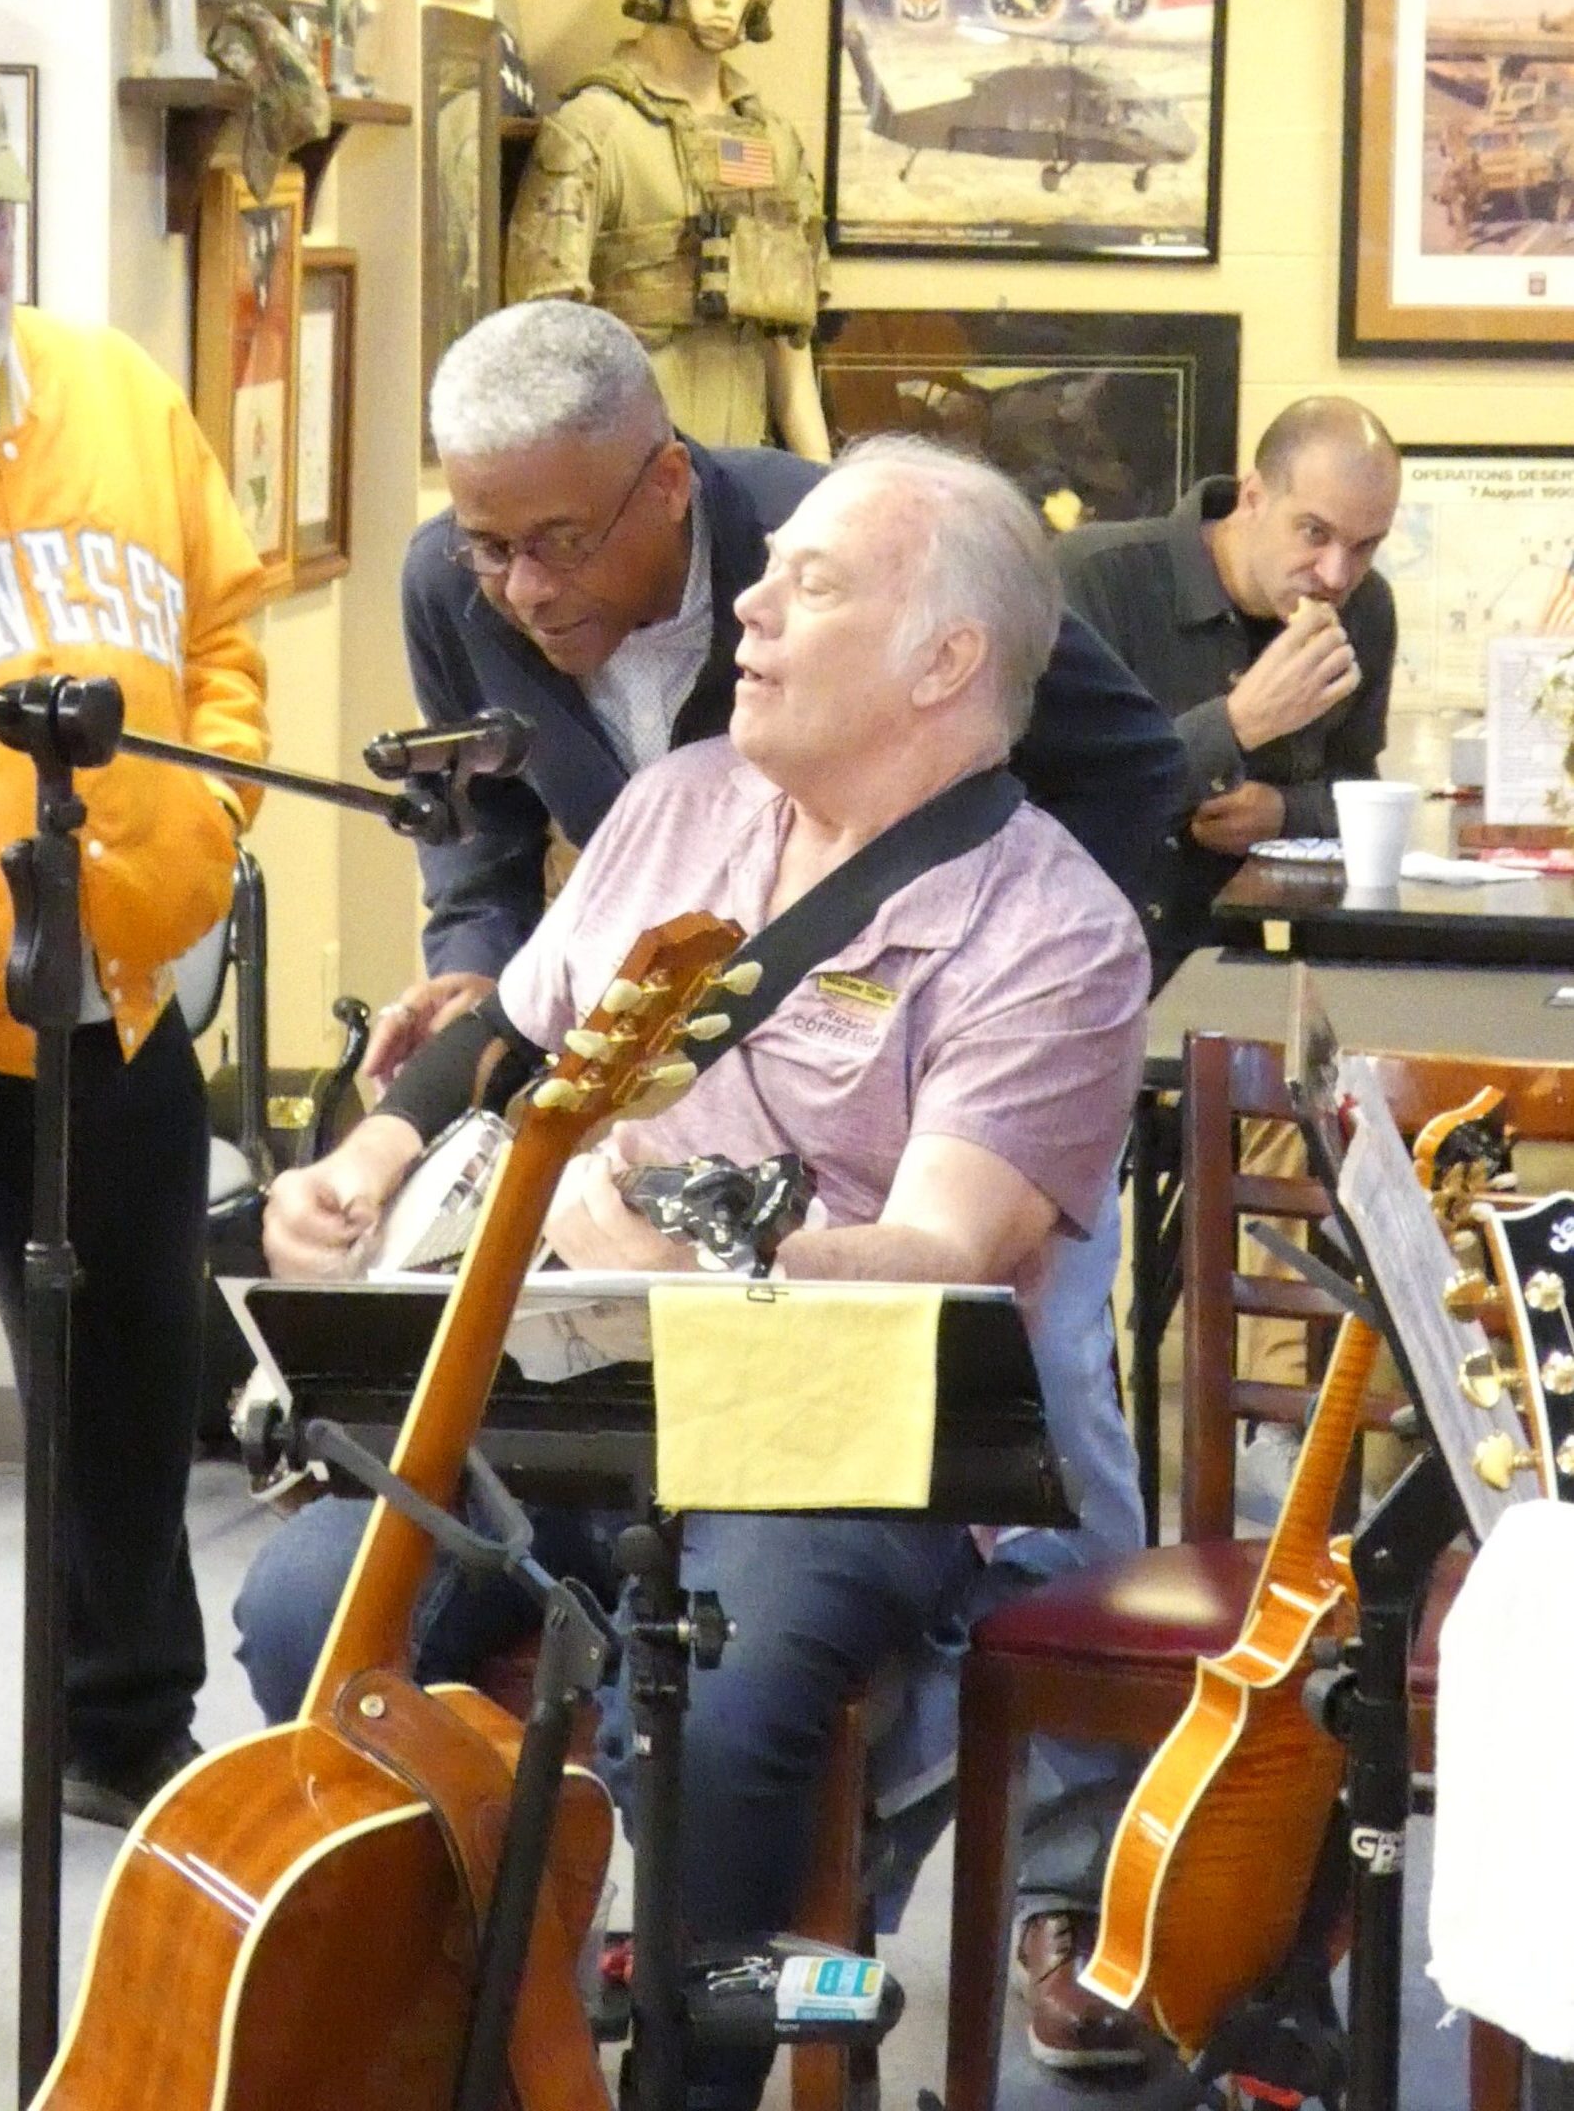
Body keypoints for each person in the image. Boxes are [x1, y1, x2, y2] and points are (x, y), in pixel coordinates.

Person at [237, 437, 1158, 2088]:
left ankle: (686, 2072)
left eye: (810, 582)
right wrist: (362, 1166)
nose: (750, 602)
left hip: (835, 1438)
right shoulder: (675, 807)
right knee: (310, 1605)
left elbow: (946, 1252)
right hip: (578, 1386)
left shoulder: (1056, 928)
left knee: (728, 1705)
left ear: (943, 657)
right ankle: (457, 2012)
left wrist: (701, 1242)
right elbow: (514, 1032)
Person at [0, 44, 270, 1888]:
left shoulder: (115, 391)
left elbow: (229, 625)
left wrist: (206, 834)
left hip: (119, 1010)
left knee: (132, 1379)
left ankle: (128, 1732)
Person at [368, 297, 1185, 1086]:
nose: (525, 589)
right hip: (671, 1098)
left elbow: (1128, 765)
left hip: (914, 1071)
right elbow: (478, 850)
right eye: (489, 544)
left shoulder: (842, 550)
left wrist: (1012, 1003)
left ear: (669, 482)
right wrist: (480, 982)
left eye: (566, 541)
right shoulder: (449, 587)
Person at [1055, 397, 1402, 986]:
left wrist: (1285, 812)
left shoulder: (1366, 609)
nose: (1337, 574)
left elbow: (1355, 791)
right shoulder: (1095, 577)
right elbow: (1053, 805)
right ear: (1253, 498)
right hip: (1097, 962)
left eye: (1366, 545)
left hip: (1275, 965)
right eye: (1315, 532)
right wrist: (1236, 725)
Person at [504, 0, 831, 458]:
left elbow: (791, 364)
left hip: (742, 476)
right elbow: (545, 351)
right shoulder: (592, 132)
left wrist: (827, 496)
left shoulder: (775, 144)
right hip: (624, 476)